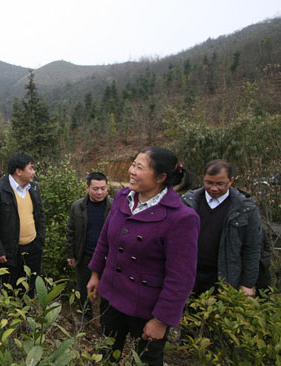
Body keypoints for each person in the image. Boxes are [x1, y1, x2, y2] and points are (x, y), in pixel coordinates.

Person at [86, 146, 199, 366]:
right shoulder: (122, 197)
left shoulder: (181, 218)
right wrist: (95, 273)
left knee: (147, 360)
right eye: (133, 164)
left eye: (139, 167)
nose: (131, 171)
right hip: (113, 295)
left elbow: (181, 277)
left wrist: (162, 320)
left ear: (161, 177)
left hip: (148, 308)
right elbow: (105, 238)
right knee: (107, 353)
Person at [181, 160, 262, 297]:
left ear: (230, 181)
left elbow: (252, 248)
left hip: (224, 278)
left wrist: (247, 283)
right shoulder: (187, 202)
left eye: (220, 184)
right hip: (190, 276)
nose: (214, 188)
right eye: (209, 183)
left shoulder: (245, 209)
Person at [0, 152, 45, 296]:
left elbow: (40, 215)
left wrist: (40, 239)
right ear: (19, 171)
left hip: (33, 248)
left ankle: (27, 315)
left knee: (29, 287)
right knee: (6, 289)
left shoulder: (33, 188)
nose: (34, 172)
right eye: (31, 168)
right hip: (9, 252)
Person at [65, 172, 112, 322]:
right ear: (87, 188)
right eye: (95, 188)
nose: (100, 192)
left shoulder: (115, 206)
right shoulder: (78, 206)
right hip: (84, 254)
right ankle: (85, 317)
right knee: (83, 289)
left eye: (103, 188)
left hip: (108, 257)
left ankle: (106, 321)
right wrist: (70, 253)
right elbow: (71, 231)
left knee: (108, 292)